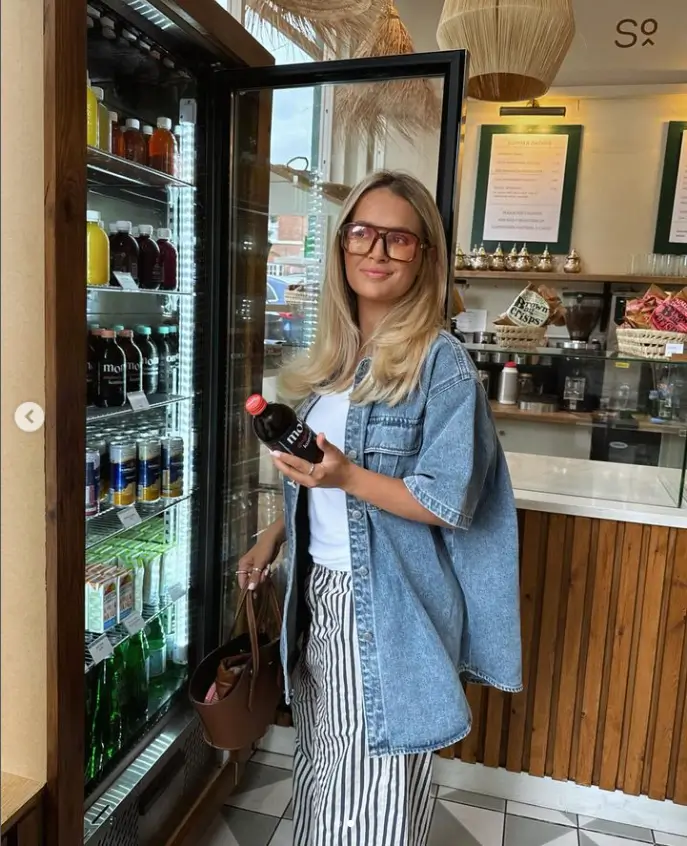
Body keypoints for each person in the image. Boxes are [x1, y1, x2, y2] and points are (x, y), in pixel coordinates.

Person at [238, 170, 521, 846]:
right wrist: (274, 535)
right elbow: (320, 479)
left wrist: (346, 476)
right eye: (363, 233)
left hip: (390, 605)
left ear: (424, 256)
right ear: (341, 247)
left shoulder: (440, 363)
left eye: (399, 239)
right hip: (319, 591)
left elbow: (446, 501)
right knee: (322, 771)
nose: (378, 251)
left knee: (372, 804)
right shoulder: (333, 362)